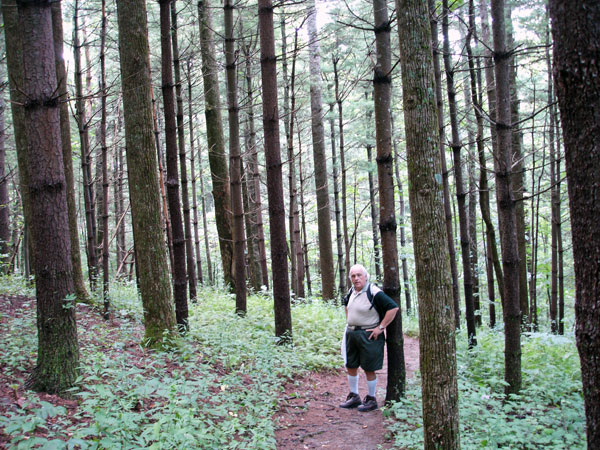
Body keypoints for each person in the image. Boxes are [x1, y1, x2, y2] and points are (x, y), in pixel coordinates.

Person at [339, 264, 399, 412]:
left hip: (369, 335)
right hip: (352, 334)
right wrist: (350, 322)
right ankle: (354, 396)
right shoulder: (351, 291)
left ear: (366, 276)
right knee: (351, 365)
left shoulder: (373, 291)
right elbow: (346, 305)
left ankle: (371, 399)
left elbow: (393, 308)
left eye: (359, 275)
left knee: (369, 367)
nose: (356, 278)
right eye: (353, 276)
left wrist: (381, 327)